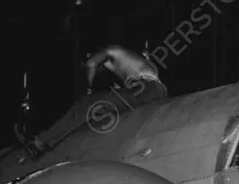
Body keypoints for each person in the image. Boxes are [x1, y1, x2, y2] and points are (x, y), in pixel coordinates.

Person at [16, 45, 168, 158]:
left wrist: (88, 88)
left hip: (146, 89)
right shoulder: (129, 63)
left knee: (86, 104)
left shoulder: (112, 50)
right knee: (104, 107)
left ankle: (43, 140)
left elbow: (91, 64)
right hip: (153, 91)